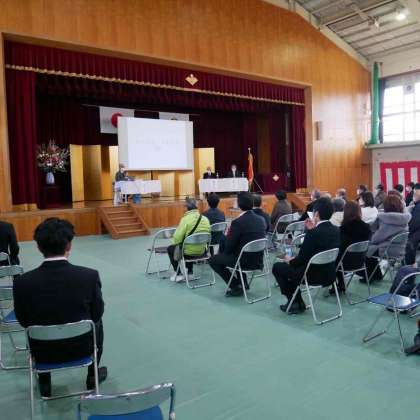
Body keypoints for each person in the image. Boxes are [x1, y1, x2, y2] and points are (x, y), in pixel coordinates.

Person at [13, 218, 107, 397]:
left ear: (39, 247)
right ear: (69, 245)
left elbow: (23, 320)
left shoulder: (22, 282)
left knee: (34, 326)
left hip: (42, 352)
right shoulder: (89, 276)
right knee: (97, 322)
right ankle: (92, 375)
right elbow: (97, 313)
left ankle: (44, 380)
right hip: (82, 348)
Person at [272, 198, 340, 314]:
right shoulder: (336, 230)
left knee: (278, 267)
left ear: (316, 214)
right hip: (329, 273)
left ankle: (294, 302)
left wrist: (290, 261)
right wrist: (312, 230)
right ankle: (297, 302)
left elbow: (302, 259)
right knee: (292, 269)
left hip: (311, 275)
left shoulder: (313, 233)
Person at [209, 192, 266, 296]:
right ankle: (243, 283)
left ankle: (236, 286)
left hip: (243, 261)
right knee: (239, 250)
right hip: (258, 260)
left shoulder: (238, 222)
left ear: (239, 205)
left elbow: (229, 248)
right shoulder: (261, 219)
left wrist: (225, 241)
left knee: (213, 260)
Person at [365, 195, 411, 282]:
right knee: (371, 249)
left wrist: (371, 240)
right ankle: (377, 274)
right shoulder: (404, 219)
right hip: (401, 250)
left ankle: (372, 276)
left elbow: (377, 238)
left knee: (366, 250)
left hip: (387, 250)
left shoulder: (386, 220)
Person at [167, 198, 210, 282]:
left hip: (188, 252)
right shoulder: (205, 219)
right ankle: (190, 273)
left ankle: (178, 274)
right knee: (189, 245)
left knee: (171, 248)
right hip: (202, 251)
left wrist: (175, 242)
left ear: (186, 207)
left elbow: (177, 239)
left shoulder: (185, 219)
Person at [334, 201, 371, 293]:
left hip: (345, 263)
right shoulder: (366, 227)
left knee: (334, 257)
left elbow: (340, 247)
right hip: (361, 261)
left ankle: (339, 284)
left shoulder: (343, 229)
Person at [405, 183, 420, 266]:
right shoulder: (416, 205)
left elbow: (413, 224)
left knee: (409, 242)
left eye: (415, 194)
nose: (413, 196)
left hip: (415, 233)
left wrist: (406, 229)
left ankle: (410, 267)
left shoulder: (418, 207)